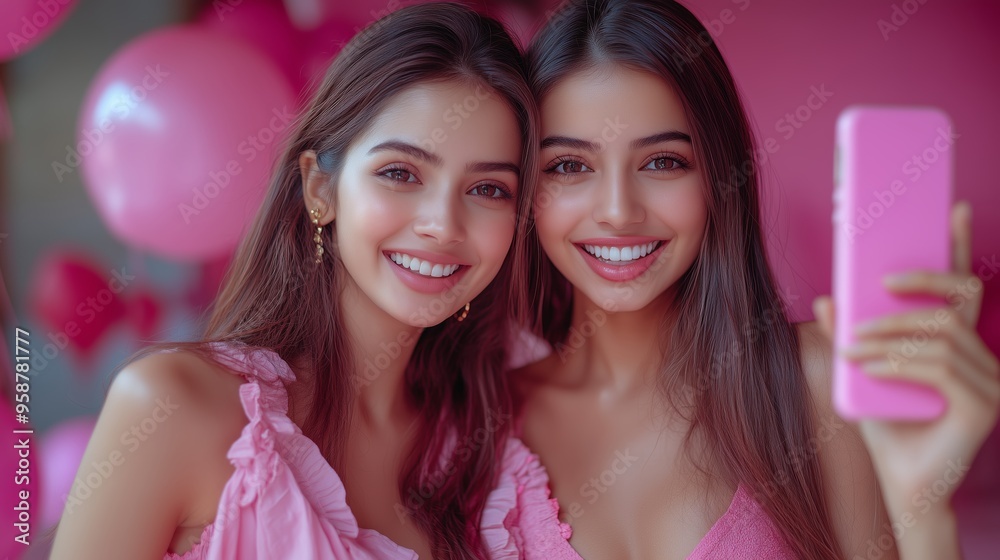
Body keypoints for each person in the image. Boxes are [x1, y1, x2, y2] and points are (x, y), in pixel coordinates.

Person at [508, 0, 1000, 558]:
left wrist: (924, 506)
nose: (618, 212)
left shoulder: (817, 381)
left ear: (719, 176)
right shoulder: (485, 426)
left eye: (663, 161)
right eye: (569, 166)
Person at [49, 3, 540, 559]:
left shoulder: (495, 445)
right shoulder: (174, 404)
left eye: (488, 189)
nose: (443, 225)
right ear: (319, 190)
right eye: (400, 173)